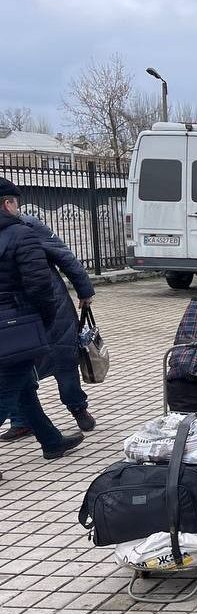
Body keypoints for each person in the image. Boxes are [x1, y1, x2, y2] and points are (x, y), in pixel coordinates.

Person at [0, 177, 84, 459]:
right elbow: (39, 286)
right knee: (7, 391)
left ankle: (51, 441)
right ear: (8, 203)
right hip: (17, 327)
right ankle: (55, 435)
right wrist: (44, 320)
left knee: (23, 386)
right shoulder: (21, 234)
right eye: (16, 202)